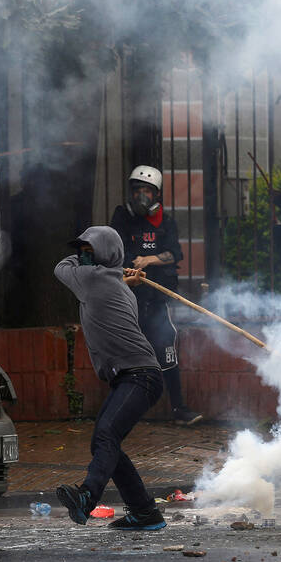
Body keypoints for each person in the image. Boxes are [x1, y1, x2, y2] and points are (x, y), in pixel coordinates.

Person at [53, 226, 168, 531]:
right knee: (105, 441)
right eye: (81, 252)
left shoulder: (93, 279)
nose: (82, 257)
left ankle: (86, 497)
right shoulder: (121, 288)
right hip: (138, 376)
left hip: (139, 376)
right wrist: (115, 271)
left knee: (106, 435)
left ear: (105, 255)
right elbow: (108, 282)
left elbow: (60, 267)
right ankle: (144, 511)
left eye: (89, 251)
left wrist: (101, 268)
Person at [109, 165, 203, 425]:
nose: (141, 195)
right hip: (130, 298)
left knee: (166, 348)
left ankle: (179, 409)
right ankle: (120, 412)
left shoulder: (166, 221)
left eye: (147, 190)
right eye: (137, 189)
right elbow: (116, 250)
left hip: (158, 298)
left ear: (156, 194)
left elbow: (175, 254)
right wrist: (132, 264)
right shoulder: (122, 217)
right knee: (128, 354)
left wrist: (149, 259)